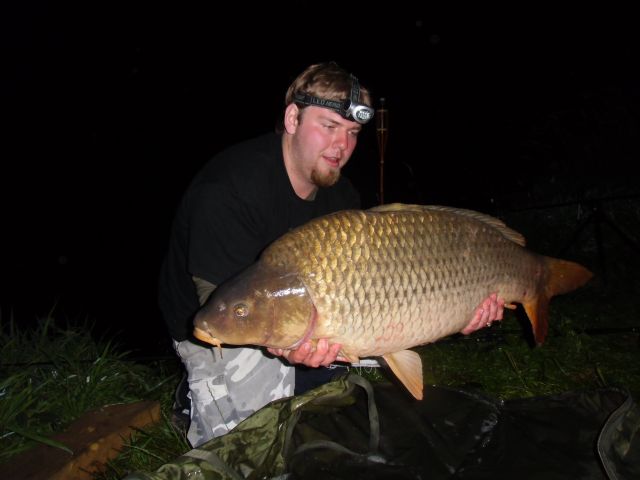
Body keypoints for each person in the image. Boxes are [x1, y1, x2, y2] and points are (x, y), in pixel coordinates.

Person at [158, 62, 504, 448]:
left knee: (359, 337)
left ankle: (300, 376)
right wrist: (284, 345)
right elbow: (218, 304)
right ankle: (197, 393)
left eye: (353, 132)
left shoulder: (341, 196)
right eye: (328, 126)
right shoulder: (229, 189)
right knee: (252, 443)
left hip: (294, 310)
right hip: (221, 321)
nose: (342, 146)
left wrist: (462, 309)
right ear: (293, 118)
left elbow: (385, 293)